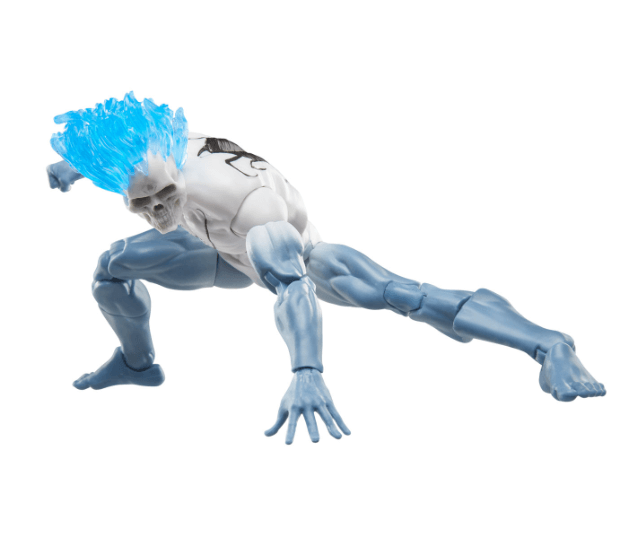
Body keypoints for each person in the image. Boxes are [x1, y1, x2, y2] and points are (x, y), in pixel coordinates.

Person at [47, 93, 606, 444]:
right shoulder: (152, 146)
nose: (156, 213)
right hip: (214, 246)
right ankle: (138, 365)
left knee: (406, 297)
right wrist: (79, 164)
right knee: (112, 269)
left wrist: (306, 372)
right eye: (141, 203)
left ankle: (549, 345)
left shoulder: (250, 207)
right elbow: (126, 151)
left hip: (296, 256)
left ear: (174, 170)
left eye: (163, 196)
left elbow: (292, 289)